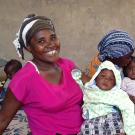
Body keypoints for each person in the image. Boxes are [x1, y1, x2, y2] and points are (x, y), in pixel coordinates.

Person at [0, 14, 84, 135]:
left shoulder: (68, 65)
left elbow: (94, 88)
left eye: (53, 38)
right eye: (41, 41)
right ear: (29, 48)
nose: (51, 44)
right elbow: (2, 120)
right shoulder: (23, 79)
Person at [72, 61, 135, 135]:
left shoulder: (117, 93)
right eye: (103, 76)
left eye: (111, 79)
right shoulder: (89, 89)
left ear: (115, 83)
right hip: (92, 119)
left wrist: (130, 130)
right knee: (86, 129)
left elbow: (128, 107)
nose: (106, 80)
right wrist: (77, 77)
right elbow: (80, 87)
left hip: (111, 117)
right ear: (95, 77)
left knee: (117, 130)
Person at [0, 59, 31, 135]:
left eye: (10, 74)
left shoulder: (20, 84)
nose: (8, 76)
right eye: (7, 74)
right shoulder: (10, 80)